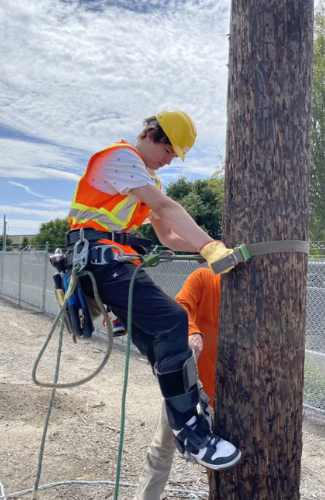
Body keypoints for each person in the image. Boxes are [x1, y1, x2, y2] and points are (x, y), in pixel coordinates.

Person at [66, 111, 241, 470]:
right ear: (150, 134)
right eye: (168, 148)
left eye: (175, 154)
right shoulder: (122, 159)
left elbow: (167, 235)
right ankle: (191, 433)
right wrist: (209, 246)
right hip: (100, 257)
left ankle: (188, 424)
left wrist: (215, 247)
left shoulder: (148, 182)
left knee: (164, 344)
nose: (170, 158)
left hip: (114, 261)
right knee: (174, 322)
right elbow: (165, 208)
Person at [136, 267, 221, 499]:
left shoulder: (257, 294)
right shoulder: (205, 277)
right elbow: (180, 305)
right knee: (163, 447)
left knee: (223, 458)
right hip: (191, 390)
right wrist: (192, 332)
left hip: (234, 396)